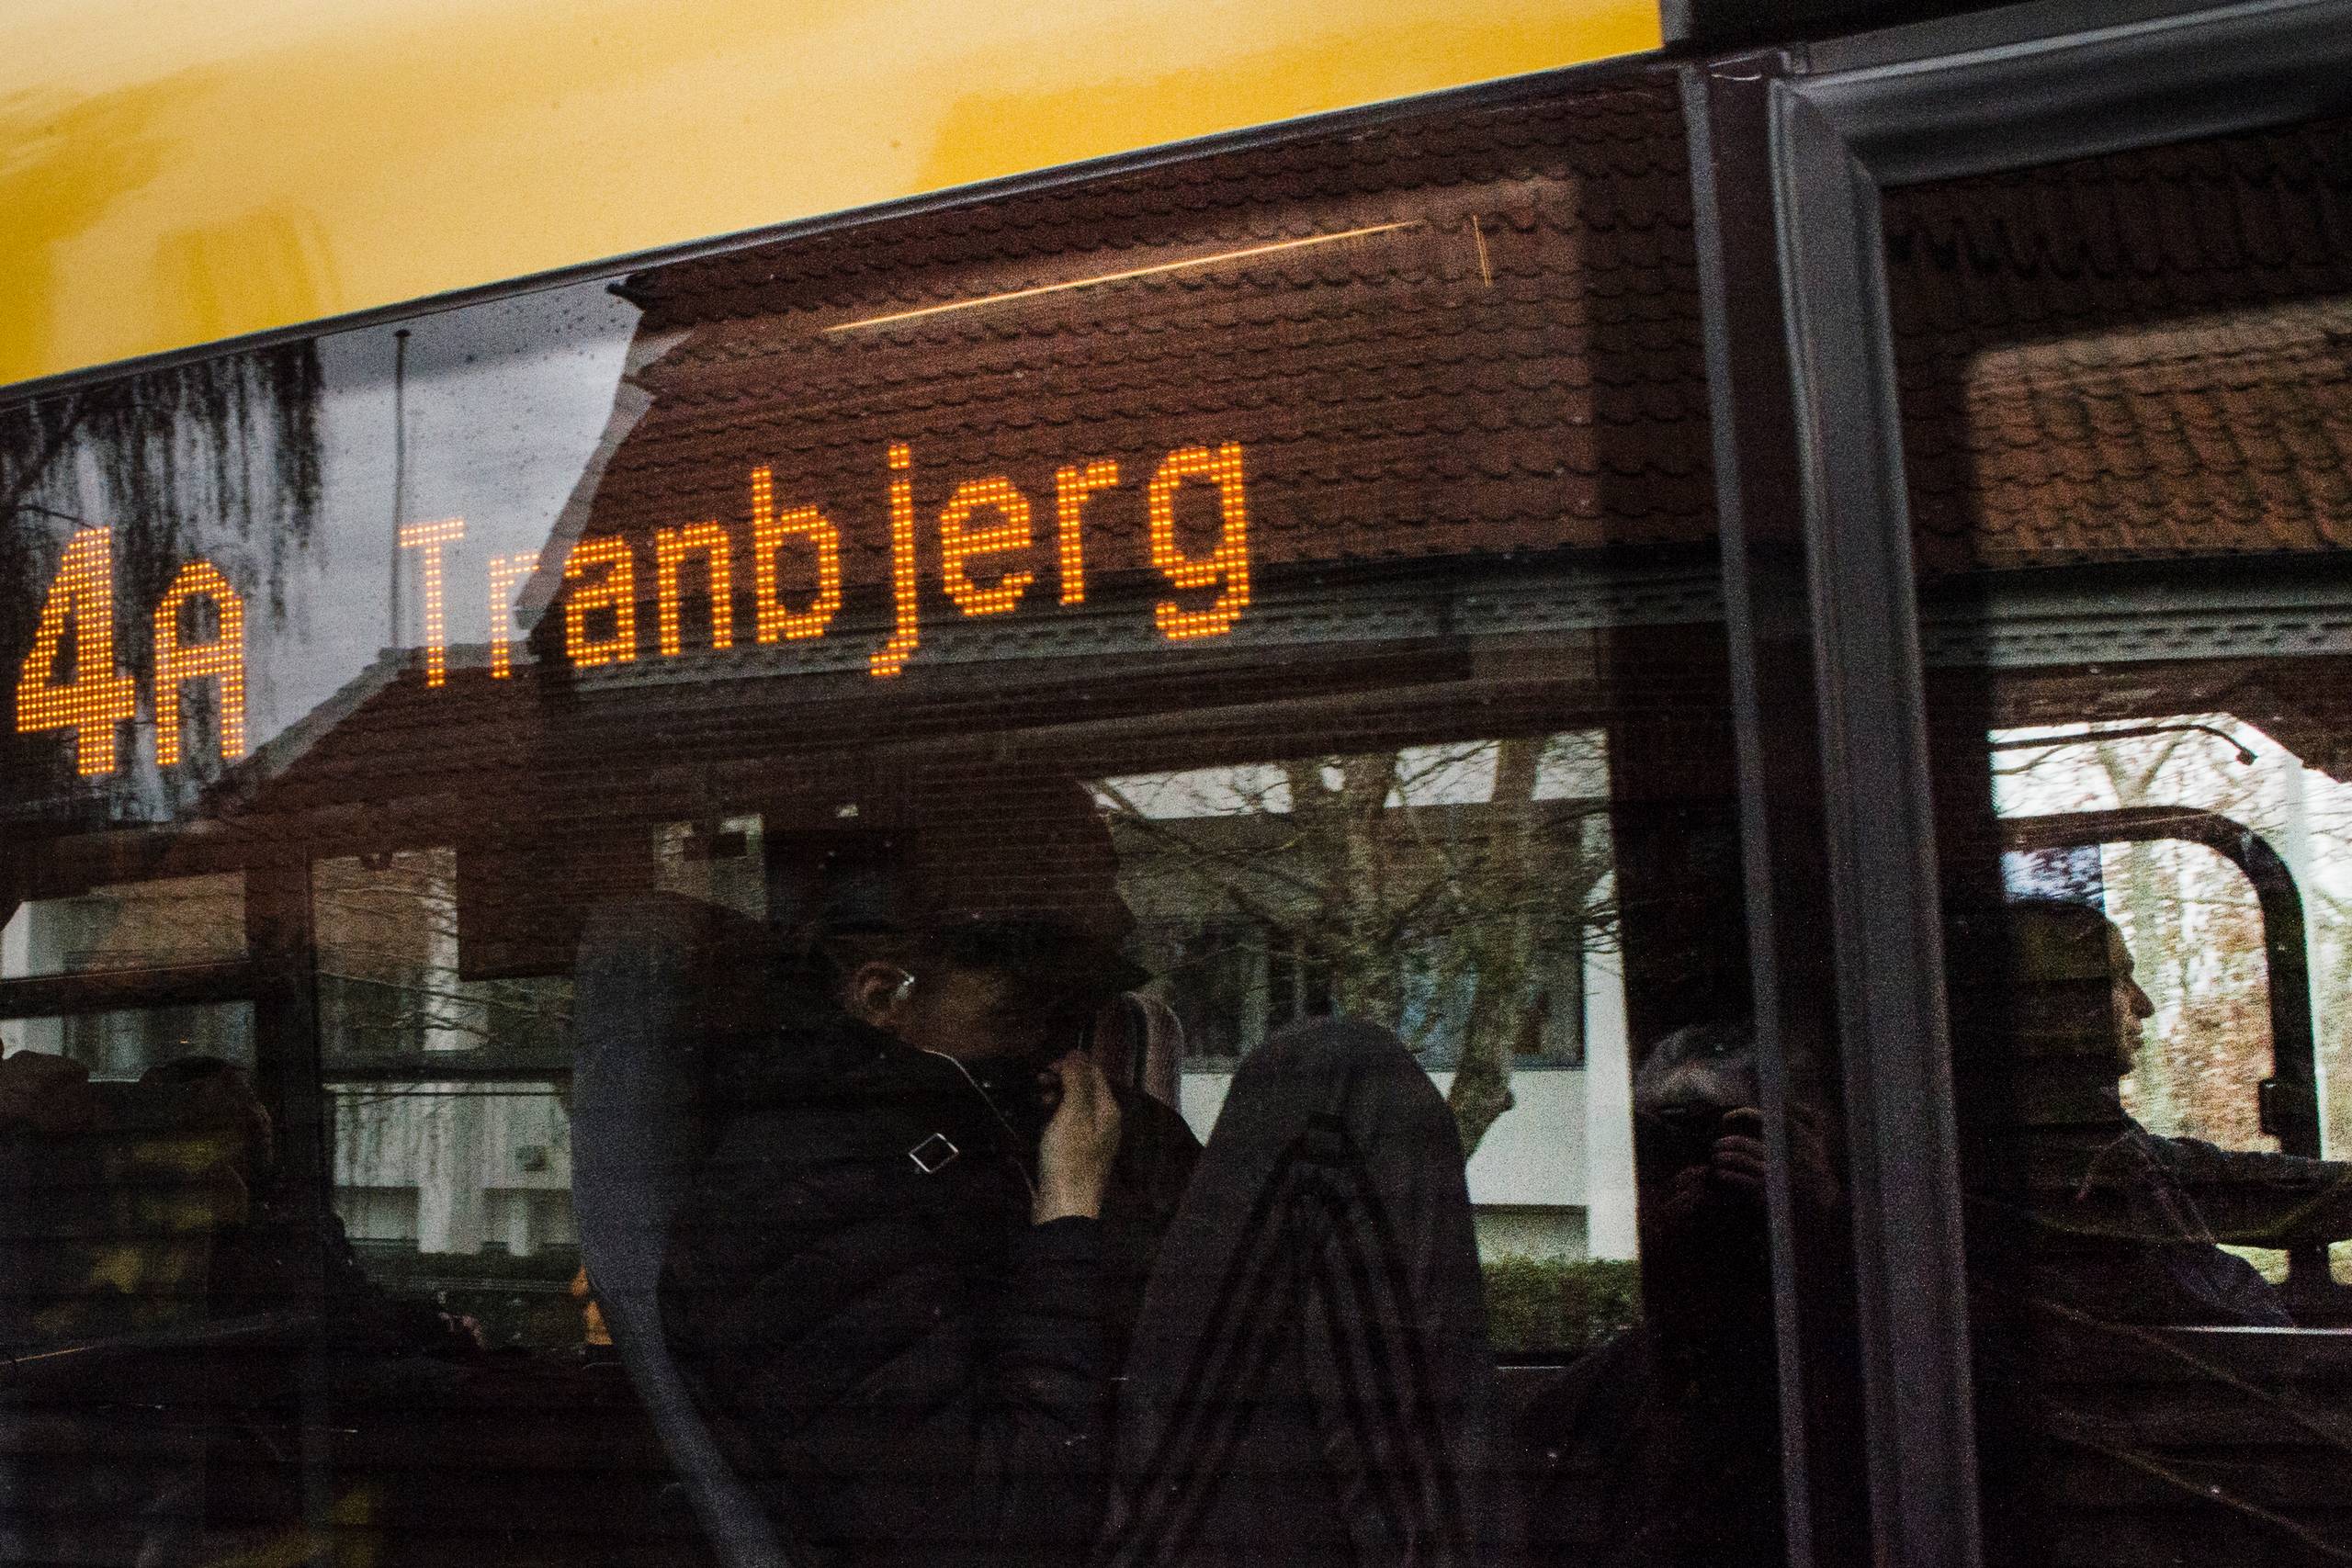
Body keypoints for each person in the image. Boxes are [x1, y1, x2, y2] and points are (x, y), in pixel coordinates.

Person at [658, 801, 1498, 1568]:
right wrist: (1066, 1218)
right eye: (1027, 1006)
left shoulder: (1039, 1108)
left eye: (1073, 1011)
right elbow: (993, 1528)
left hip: (1138, 1482)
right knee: (1332, 1078)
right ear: (885, 996)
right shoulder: (791, 1193)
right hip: (1060, 1538)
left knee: (1612, 1399)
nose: (1056, 1041)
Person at [1513, 1021, 1835, 1568]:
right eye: (1667, 1145)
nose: (1706, 1167)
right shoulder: (1586, 1406)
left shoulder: (1868, 1373)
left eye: (1736, 1135)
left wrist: (1819, 1219)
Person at [1962, 897, 2352, 1327]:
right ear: (2056, 1002)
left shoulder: (2093, 1138)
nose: (2143, 1004)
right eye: (2119, 978)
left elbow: (2230, 1185)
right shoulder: (2071, 1164)